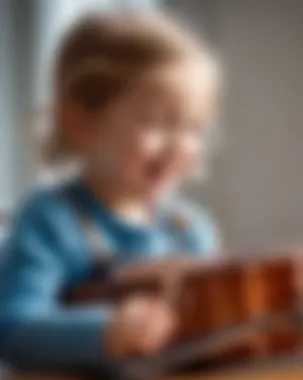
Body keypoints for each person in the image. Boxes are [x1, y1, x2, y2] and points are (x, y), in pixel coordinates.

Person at [0, 11, 221, 371]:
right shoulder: (50, 222)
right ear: (81, 121)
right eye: (157, 123)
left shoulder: (190, 231)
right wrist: (105, 332)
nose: (179, 145)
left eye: (193, 128)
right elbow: (12, 328)